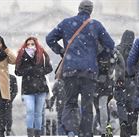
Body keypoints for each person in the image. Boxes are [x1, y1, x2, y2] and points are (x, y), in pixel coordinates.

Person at [46, 0, 115, 136]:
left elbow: (49, 38)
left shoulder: (66, 23)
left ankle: (71, 130)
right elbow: (110, 45)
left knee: (70, 103)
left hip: (70, 70)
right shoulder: (95, 25)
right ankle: (86, 133)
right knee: (87, 106)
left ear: (78, 9)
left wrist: (61, 51)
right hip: (89, 72)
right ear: (91, 11)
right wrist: (99, 55)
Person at [15, 36, 53, 137]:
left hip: (41, 87)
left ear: (36, 44)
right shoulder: (22, 55)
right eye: (28, 44)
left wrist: (39, 71)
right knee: (30, 110)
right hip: (27, 88)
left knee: (38, 113)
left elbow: (49, 68)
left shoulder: (42, 54)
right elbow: (17, 72)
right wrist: (28, 70)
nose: (30, 46)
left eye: (32, 44)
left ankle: (37, 134)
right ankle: (30, 134)